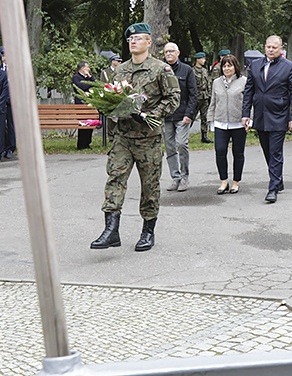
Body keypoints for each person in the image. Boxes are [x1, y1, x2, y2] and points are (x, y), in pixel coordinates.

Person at [90, 22, 179, 252]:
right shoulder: (119, 71)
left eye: (138, 38)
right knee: (114, 179)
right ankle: (111, 231)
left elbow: (173, 99)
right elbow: (112, 98)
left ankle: (148, 231)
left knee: (149, 186)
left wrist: (152, 115)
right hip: (123, 137)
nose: (133, 42)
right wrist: (109, 109)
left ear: (149, 42)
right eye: (130, 39)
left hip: (148, 138)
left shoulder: (161, 69)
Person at [242, 35, 292, 204]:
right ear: (264, 47)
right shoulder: (255, 66)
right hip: (260, 114)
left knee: (275, 151)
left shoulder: (289, 67)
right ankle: (278, 179)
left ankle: (272, 187)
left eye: (275, 47)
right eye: (268, 47)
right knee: (267, 150)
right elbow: (248, 91)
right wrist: (246, 114)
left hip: (279, 114)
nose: (271, 50)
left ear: (281, 48)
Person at [207, 54, 247, 193]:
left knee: (238, 152)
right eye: (224, 65)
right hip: (220, 122)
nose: (227, 68)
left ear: (236, 67)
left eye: (230, 65)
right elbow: (213, 102)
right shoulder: (216, 82)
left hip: (238, 123)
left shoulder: (243, 81)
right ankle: (224, 181)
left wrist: (249, 119)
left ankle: (236, 181)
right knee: (220, 151)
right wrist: (210, 119)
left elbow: (249, 103)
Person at [162, 42, 198, 192]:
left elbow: (193, 94)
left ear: (178, 53)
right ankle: (175, 177)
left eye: (171, 51)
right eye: (166, 52)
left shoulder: (187, 70)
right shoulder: (161, 69)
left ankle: (184, 176)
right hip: (166, 115)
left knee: (182, 144)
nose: (169, 54)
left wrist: (189, 114)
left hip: (182, 114)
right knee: (170, 147)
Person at [72, 61, 95, 150]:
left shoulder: (88, 78)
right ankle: (81, 144)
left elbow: (95, 84)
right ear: (82, 68)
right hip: (80, 103)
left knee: (90, 123)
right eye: (87, 67)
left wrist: (90, 77)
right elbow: (80, 87)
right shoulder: (76, 77)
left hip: (90, 102)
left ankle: (87, 143)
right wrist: (89, 85)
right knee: (83, 123)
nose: (89, 69)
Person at [192, 52, 213, 143]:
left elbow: (208, 83)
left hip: (204, 97)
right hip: (196, 97)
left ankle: (204, 136)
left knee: (204, 117)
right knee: (191, 116)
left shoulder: (205, 71)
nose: (204, 60)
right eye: (202, 59)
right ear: (197, 59)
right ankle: (183, 135)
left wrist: (209, 94)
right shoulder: (192, 71)